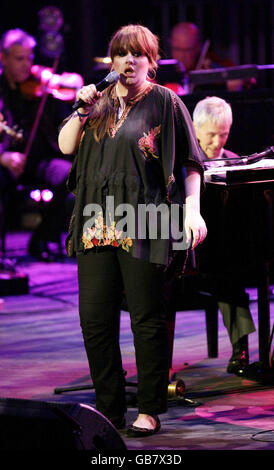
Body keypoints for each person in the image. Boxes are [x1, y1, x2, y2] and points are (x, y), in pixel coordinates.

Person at [58, 24, 207, 436]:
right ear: (113, 61)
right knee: (95, 320)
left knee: (147, 317)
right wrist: (81, 108)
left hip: (146, 218)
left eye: (136, 54)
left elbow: (192, 164)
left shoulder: (166, 102)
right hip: (95, 219)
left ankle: (149, 408)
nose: (128, 61)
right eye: (121, 54)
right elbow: (66, 146)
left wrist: (192, 211)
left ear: (150, 61)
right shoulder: (98, 102)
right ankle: (108, 408)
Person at [193, 96, 256, 375]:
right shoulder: (184, 161)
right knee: (226, 276)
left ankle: (241, 350)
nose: (217, 142)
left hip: (225, 250)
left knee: (232, 279)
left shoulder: (235, 162)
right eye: (211, 135)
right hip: (191, 251)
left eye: (224, 134)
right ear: (195, 129)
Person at [0, 28, 73, 260]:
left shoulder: (39, 82)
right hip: (6, 162)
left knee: (70, 175)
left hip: (36, 161)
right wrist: (3, 157)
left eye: (29, 58)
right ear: (3, 58)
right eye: (19, 58)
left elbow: (73, 83)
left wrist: (56, 82)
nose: (26, 64)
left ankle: (42, 237)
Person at [168, 22, 244, 93]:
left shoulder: (208, 63)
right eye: (177, 49)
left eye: (188, 50)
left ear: (198, 47)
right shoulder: (164, 71)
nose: (182, 56)